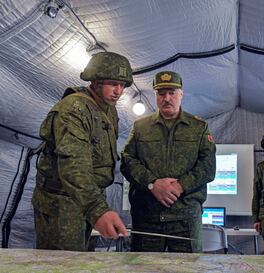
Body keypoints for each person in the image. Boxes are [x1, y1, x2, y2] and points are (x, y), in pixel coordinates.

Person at [32, 52, 132, 251]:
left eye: (122, 85)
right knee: (63, 264)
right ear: (95, 81)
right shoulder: (73, 109)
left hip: (86, 198)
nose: (118, 91)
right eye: (113, 83)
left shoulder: (108, 109)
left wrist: (95, 205)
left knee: (83, 259)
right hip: (62, 204)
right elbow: (74, 164)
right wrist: (97, 209)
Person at [121, 70, 216, 253]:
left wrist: (180, 186)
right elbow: (127, 160)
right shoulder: (141, 127)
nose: (167, 98)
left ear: (181, 94)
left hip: (185, 219)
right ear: (155, 96)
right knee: (143, 268)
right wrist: (152, 184)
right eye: (161, 93)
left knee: (187, 268)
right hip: (147, 217)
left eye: (172, 93)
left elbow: (208, 166)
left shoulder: (198, 127)